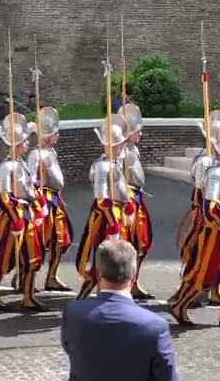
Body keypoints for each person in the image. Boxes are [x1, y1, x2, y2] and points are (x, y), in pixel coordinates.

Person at [55, 239, 179, 381]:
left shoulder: (74, 313)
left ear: (98, 274)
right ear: (134, 276)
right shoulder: (154, 326)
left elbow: (69, 348)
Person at [168, 118, 220, 328]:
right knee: (204, 274)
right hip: (216, 232)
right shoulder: (216, 172)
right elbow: (210, 206)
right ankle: (181, 305)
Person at [0, 113, 48, 312]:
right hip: (13, 220)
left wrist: (38, 203)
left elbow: (29, 188)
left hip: (26, 215)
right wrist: (15, 218)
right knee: (3, 258)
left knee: (32, 257)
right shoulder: (6, 167)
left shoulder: (21, 164)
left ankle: (28, 296)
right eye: (24, 141)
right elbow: (5, 196)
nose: (27, 144)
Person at [75, 116, 130, 300]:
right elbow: (101, 198)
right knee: (102, 261)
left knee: (113, 260)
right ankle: (81, 299)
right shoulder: (102, 166)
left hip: (115, 213)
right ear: (113, 145)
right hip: (105, 218)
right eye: (120, 143)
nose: (123, 146)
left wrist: (127, 206)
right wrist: (113, 223)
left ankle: (102, 297)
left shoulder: (114, 163)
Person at [27, 106, 72, 292]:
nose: (57, 136)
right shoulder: (35, 154)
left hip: (54, 201)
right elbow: (29, 179)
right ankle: (24, 278)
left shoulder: (50, 153)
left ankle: (52, 276)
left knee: (61, 240)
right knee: (38, 242)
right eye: (54, 133)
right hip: (42, 202)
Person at [118, 102, 154, 300]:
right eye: (137, 131)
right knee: (128, 244)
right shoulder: (121, 153)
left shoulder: (133, 151)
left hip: (137, 198)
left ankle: (134, 281)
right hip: (127, 202)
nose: (140, 134)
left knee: (141, 243)